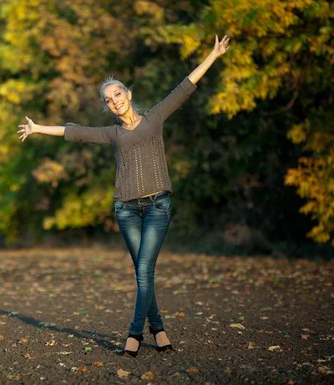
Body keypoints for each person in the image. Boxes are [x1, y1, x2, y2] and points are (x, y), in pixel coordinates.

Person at [17, 35, 230, 357]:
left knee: (144, 271)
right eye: (108, 99)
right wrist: (37, 129)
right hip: (126, 210)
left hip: (158, 205)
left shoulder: (155, 118)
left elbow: (185, 87)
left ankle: (134, 335)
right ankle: (158, 330)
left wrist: (213, 55)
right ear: (106, 107)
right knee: (142, 271)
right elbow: (73, 132)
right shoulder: (111, 133)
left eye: (118, 93)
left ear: (128, 94)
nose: (114, 100)